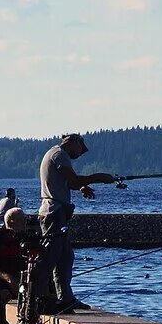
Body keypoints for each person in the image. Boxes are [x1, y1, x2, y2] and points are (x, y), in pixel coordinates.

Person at [38, 133, 117, 313]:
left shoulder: (57, 154)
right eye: (81, 149)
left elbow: (69, 183)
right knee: (51, 258)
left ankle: (66, 299)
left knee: (65, 258)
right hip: (53, 213)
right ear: (73, 142)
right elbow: (73, 179)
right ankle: (42, 298)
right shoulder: (59, 155)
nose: (82, 153)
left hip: (58, 213)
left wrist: (82, 186)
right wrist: (98, 177)